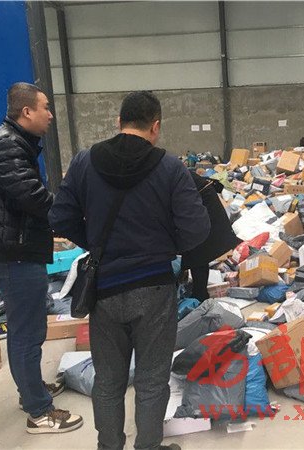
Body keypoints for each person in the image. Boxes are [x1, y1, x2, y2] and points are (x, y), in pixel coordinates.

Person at [48, 91, 210, 450]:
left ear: (119, 122)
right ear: (156, 127)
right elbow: (197, 229)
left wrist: (95, 243)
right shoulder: (170, 168)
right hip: (154, 288)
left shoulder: (84, 161)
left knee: (108, 381)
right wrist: (167, 245)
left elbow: (59, 216)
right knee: (152, 380)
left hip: (104, 288)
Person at [0, 82, 83, 433]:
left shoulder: (14, 142)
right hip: (13, 252)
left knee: (27, 326)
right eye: (45, 107)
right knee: (26, 331)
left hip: (13, 247)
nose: (50, 115)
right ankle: (38, 411)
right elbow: (30, 196)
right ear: (27, 111)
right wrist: (72, 212)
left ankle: (31, 391)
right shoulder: (6, 144)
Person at [181, 171, 241, 301]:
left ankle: (200, 294)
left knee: (200, 251)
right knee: (197, 252)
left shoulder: (162, 173)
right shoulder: (164, 170)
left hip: (201, 203)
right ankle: (197, 292)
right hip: (195, 201)